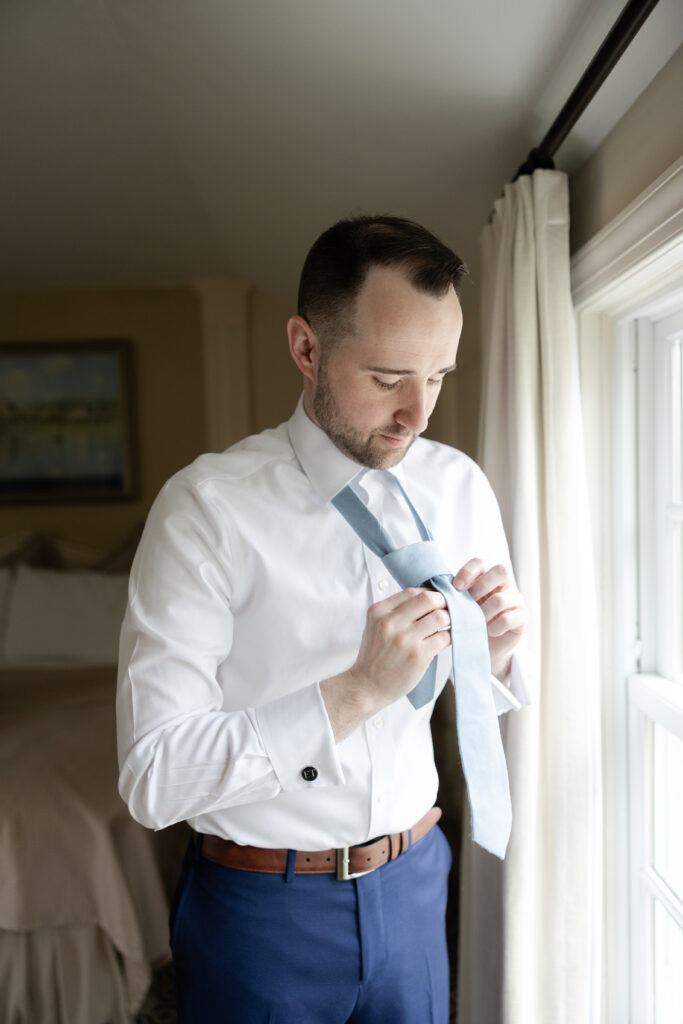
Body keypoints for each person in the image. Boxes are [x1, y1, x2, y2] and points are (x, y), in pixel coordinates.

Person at [116, 214, 530, 1024]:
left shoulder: (458, 486)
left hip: (417, 880)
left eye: (438, 376)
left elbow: (485, 691)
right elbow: (152, 777)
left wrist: (497, 651)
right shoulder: (205, 508)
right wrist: (351, 694)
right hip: (262, 909)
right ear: (306, 349)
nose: (418, 413)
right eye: (386, 377)